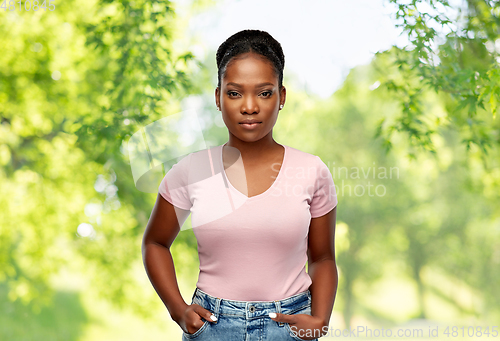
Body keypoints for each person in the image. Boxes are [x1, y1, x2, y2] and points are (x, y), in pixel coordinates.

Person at [142, 29, 338, 341]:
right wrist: (178, 309)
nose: (249, 107)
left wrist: (321, 319)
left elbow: (323, 258)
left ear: (281, 96)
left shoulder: (312, 171)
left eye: (264, 92)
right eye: (234, 93)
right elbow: (155, 243)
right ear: (218, 98)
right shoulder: (190, 171)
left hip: (289, 327)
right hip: (213, 326)